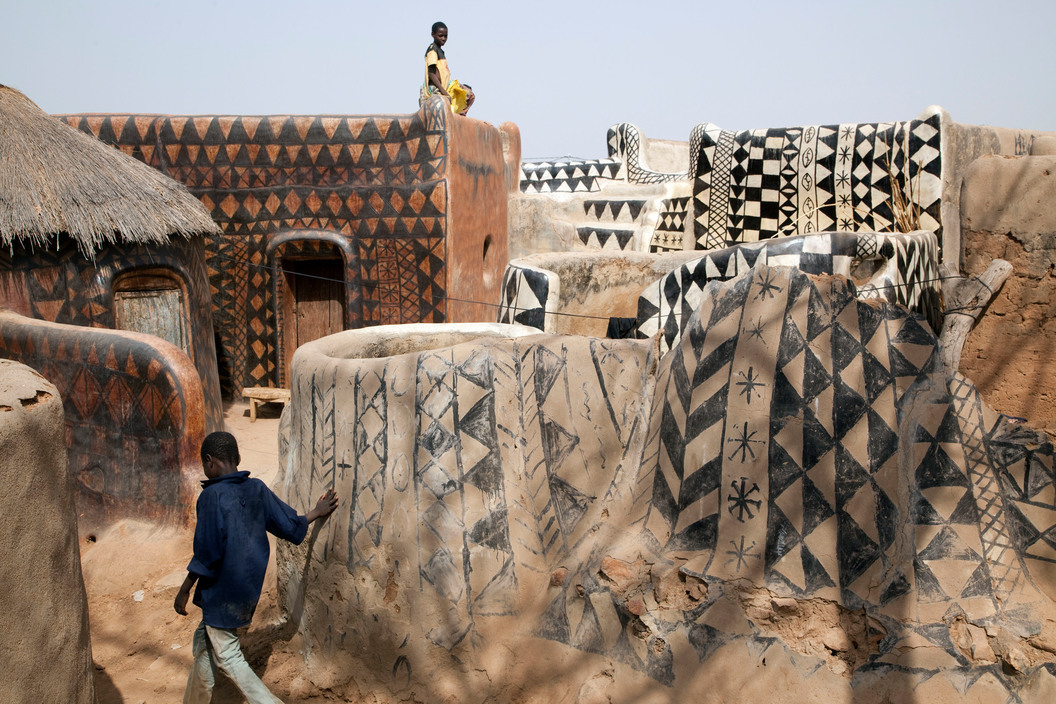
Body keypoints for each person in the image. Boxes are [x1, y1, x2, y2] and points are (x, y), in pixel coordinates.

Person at [174, 431, 339, 704]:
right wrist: (316, 511)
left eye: (205, 465)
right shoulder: (257, 489)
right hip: (247, 591)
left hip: (221, 591)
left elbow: (207, 552)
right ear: (238, 458)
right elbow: (288, 525)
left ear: (209, 462)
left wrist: (184, 589)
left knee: (228, 656)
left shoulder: (211, 497)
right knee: (205, 645)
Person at [420, 21, 472, 115]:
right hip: (435, 89)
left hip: (444, 87)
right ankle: (453, 117)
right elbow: (431, 73)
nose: (443, 38)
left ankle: (459, 117)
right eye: (440, 36)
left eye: (445, 36)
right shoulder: (433, 50)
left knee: (468, 94)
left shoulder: (440, 51)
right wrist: (444, 92)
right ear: (433, 34)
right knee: (443, 108)